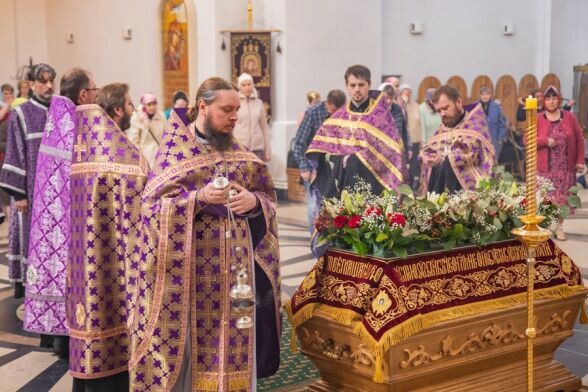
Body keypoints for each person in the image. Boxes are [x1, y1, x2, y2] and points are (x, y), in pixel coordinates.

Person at [128, 77, 281, 391]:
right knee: (195, 353)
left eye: (237, 110)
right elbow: (150, 209)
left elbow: (266, 198)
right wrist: (197, 199)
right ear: (203, 106)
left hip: (237, 276)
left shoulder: (240, 153)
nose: (234, 117)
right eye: (227, 110)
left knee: (238, 344)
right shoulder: (174, 153)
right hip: (191, 279)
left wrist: (254, 203)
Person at [67, 83, 144, 391]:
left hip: (82, 269)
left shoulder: (83, 147)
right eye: (129, 104)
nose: (133, 110)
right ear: (116, 110)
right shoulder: (121, 158)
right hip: (109, 267)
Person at [23, 68, 97, 359]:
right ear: (82, 95)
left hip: (50, 215)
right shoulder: (74, 123)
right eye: (94, 90)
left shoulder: (59, 117)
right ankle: (63, 337)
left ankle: (56, 337)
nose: (96, 95)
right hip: (66, 216)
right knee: (68, 270)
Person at [307, 64, 405, 208]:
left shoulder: (381, 116)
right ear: (347, 86)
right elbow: (324, 153)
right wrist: (341, 159)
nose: (357, 89)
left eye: (361, 84)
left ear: (369, 85)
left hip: (373, 186)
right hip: (343, 186)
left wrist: (355, 158)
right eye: (352, 85)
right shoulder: (338, 117)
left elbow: (391, 153)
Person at [0, 63, 56, 299]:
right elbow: (14, 151)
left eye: (52, 80)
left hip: (55, 191)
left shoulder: (60, 109)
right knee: (29, 238)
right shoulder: (22, 113)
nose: (49, 85)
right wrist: (20, 195)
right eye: (43, 81)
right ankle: (30, 291)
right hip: (30, 193)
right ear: (31, 85)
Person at [419, 84, 495, 194]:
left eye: (445, 108)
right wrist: (426, 156)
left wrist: (443, 160)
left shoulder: (475, 124)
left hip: (467, 197)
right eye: (438, 111)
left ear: (458, 102)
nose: (442, 114)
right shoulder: (443, 127)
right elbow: (429, 149)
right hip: (440, 193)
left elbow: (474, 157)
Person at [536, 85, 585, 241]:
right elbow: (527, 139)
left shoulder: (569, 117)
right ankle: (544, 227)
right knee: (546, 199)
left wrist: (580, 160)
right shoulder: (538, 118)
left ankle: (559, 227)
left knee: (562, 199)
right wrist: (545, 140)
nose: (551, 102)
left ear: (559, 99)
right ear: (544, 101)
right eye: (548, 98)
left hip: (565, 167)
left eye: (554, 98)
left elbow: (579, 139)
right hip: (545, 168)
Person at [292, 89, 346, 232]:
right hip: (313, 167)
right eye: (333, 111)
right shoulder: (313, 113)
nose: (335, 115)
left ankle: (331, 240)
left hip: (334, 167)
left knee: (334, 205)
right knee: (313, 206)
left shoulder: (344, 113)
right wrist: (304, 168)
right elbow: (298, 143)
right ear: (327, 104)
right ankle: (315, 240)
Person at [232, 72, 271, 162]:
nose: (247, 87)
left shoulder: (259, 103)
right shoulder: (235, 103)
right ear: (239, 87)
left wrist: (267, 149)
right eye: (244, 85)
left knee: (258, 175)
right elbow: (231, 127)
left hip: (258, 149)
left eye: (249, 84)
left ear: (253, 85)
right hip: (240, 148)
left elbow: (264, 128)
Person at [127, 93, 166, 167]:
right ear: (144, 105)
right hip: (145, 157)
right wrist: (140, 157)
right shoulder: (137, 118)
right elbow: (133, 141)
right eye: (149, 104)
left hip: (161, 155)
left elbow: (166, 134)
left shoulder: (161, 116)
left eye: (154, 104)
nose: (152, 107)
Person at [399, 84, 422, 187]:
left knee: (414, 163)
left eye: (409, 92)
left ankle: (414, 183)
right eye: (405, 91)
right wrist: (403, 103)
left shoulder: (417, 106)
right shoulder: (398, 105)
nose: (407, 94)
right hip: (403, 141)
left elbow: (420, 123)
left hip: (415, 139)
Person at [479, 86, 508, 160]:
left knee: (493, 162)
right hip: (480, 139)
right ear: (480, 96)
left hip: (494, 139)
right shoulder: (476, 106)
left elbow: (502, 124)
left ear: (490, 95)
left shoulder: (496, 106)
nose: (485, 96)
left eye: (487, 94)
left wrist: (500, 139)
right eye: (483, 94)